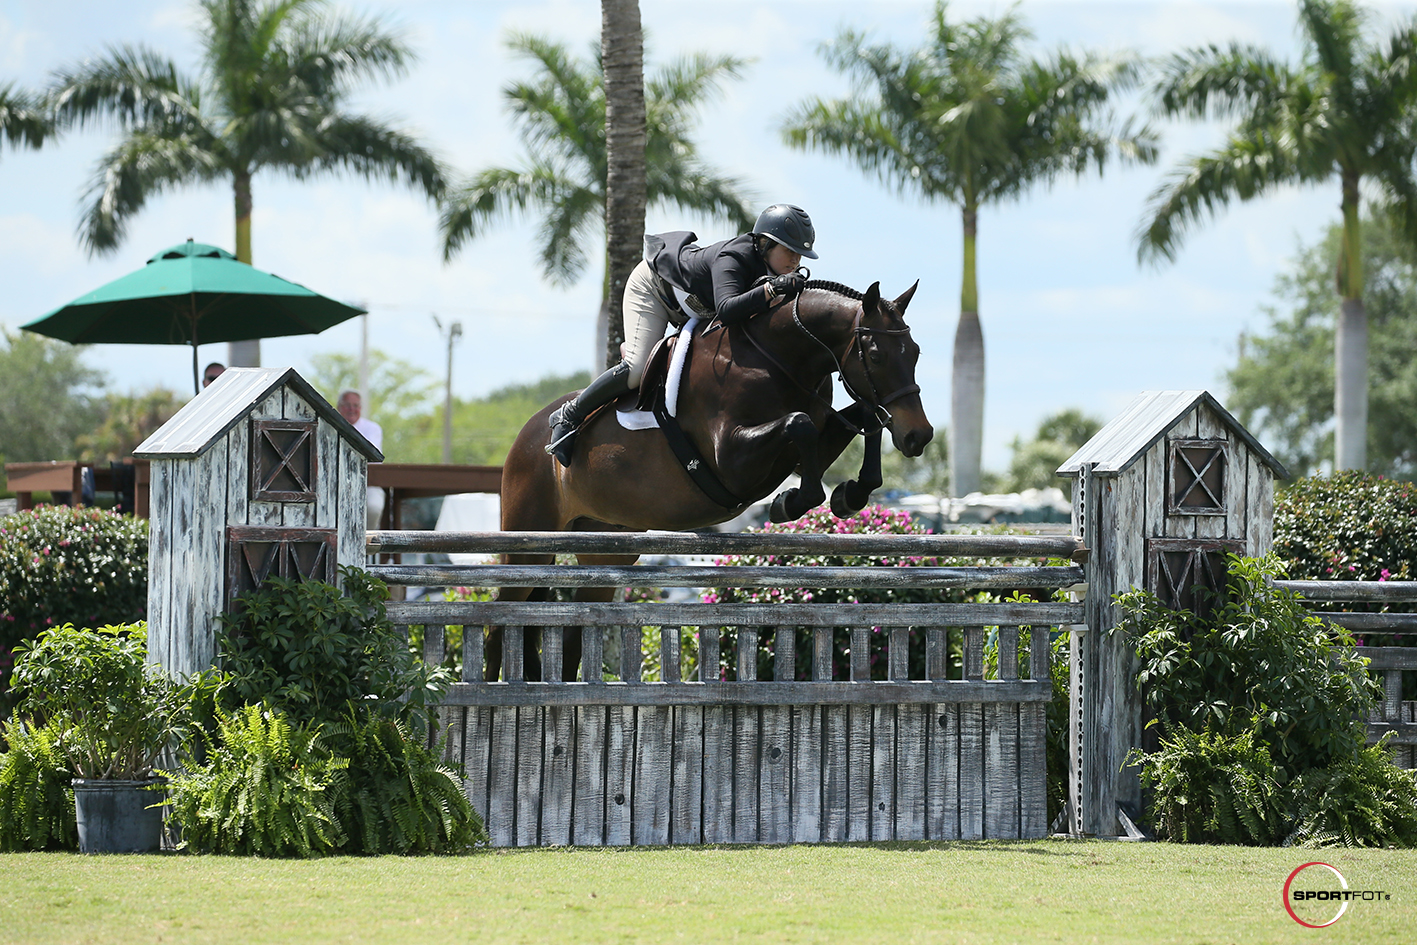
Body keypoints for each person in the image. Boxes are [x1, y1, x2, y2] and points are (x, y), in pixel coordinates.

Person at [547, 204, 819, 466]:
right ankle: (569, 415)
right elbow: (726, 310)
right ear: (765, 243)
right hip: (654, 290)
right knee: (636, 369)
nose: (795, 261)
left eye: (800, 256)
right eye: (789, 251)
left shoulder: (774, 270)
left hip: (691, 308)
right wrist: (771, 290)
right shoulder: (735, 257)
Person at [338, 390, 387, 529]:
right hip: (337, 482)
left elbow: (372, 455)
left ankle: (368, 547)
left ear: (360, 408)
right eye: (347, 405)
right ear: (339, 407)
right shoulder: (330, 425)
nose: (352, 409)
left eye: (356, 405)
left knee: (373, 507)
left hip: (369, 482)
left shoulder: (372, 428)